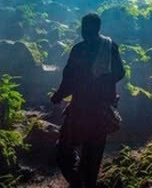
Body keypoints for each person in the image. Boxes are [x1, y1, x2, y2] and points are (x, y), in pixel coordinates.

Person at [51, 13, 125, 188]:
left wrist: (58, 96)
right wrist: (103, 82)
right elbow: (120, 72)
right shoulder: (109, 46)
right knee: (94, 153)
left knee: (64, 149)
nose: (84, 30)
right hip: (102, 110)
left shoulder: (79, 49)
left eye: (85, 27)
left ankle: (77, 181)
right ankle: (85, 182)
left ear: (87, 28)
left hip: (81, 109)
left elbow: (69, 79)